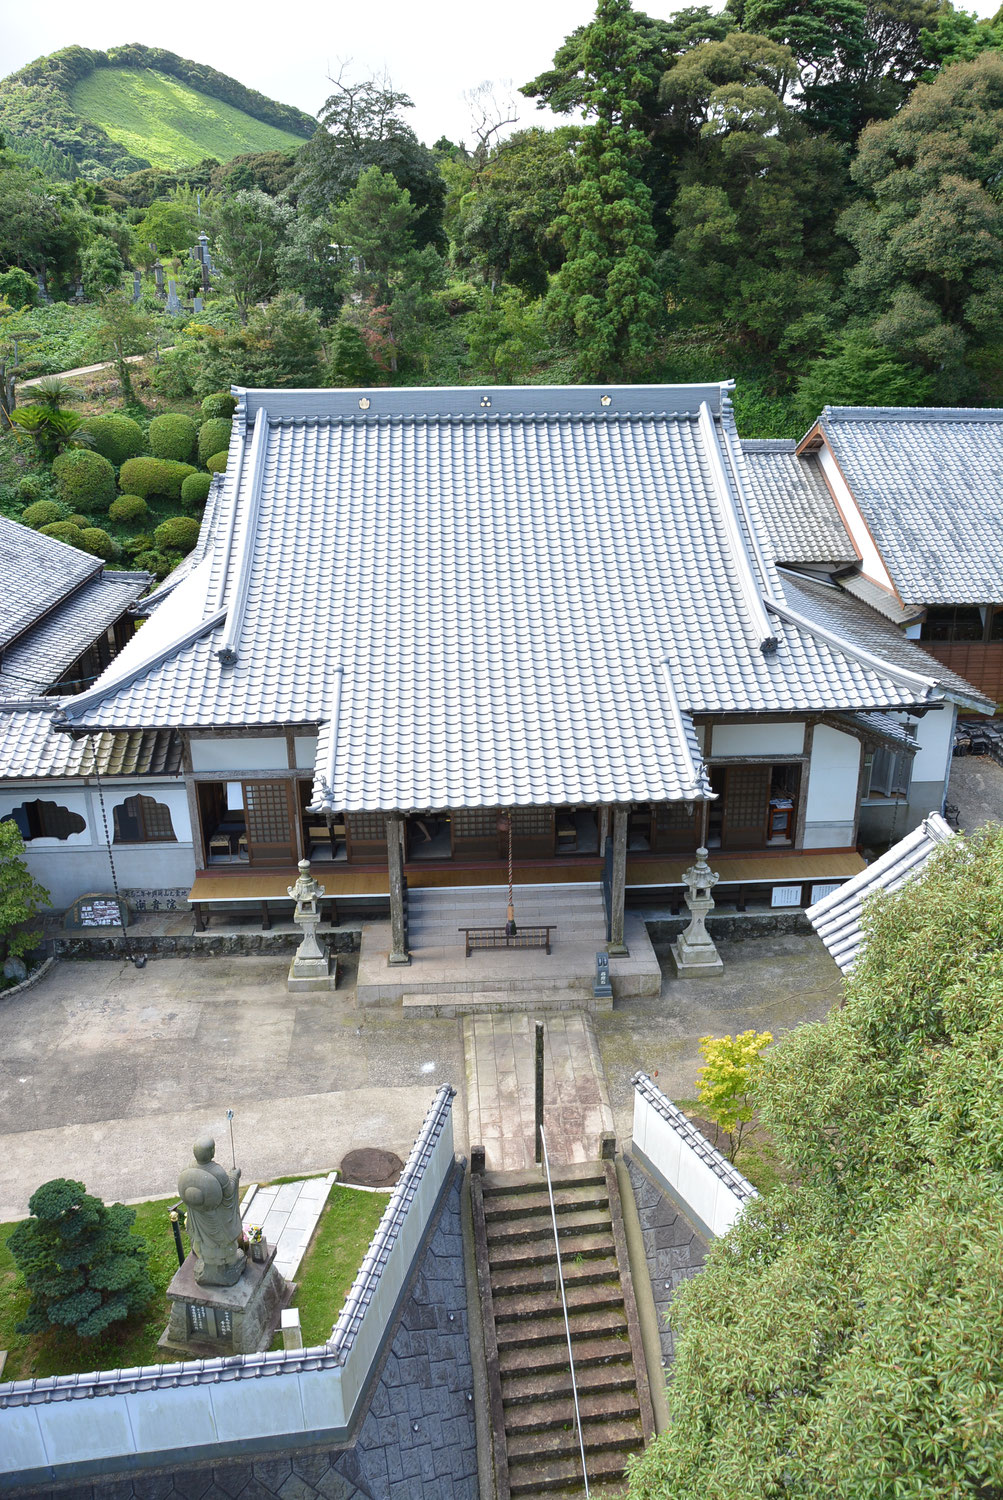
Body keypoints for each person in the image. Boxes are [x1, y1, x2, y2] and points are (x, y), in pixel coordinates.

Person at [177, 1136, 246, 1286]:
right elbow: (228, 1193)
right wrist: (234, 1176)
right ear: (211, 1152)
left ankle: (210, 1268)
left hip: (199, 1216)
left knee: (203, 1242)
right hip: (215, 1217)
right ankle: (224, 1268)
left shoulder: (188, 1167)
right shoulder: (217, 1172)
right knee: (220, 1242)